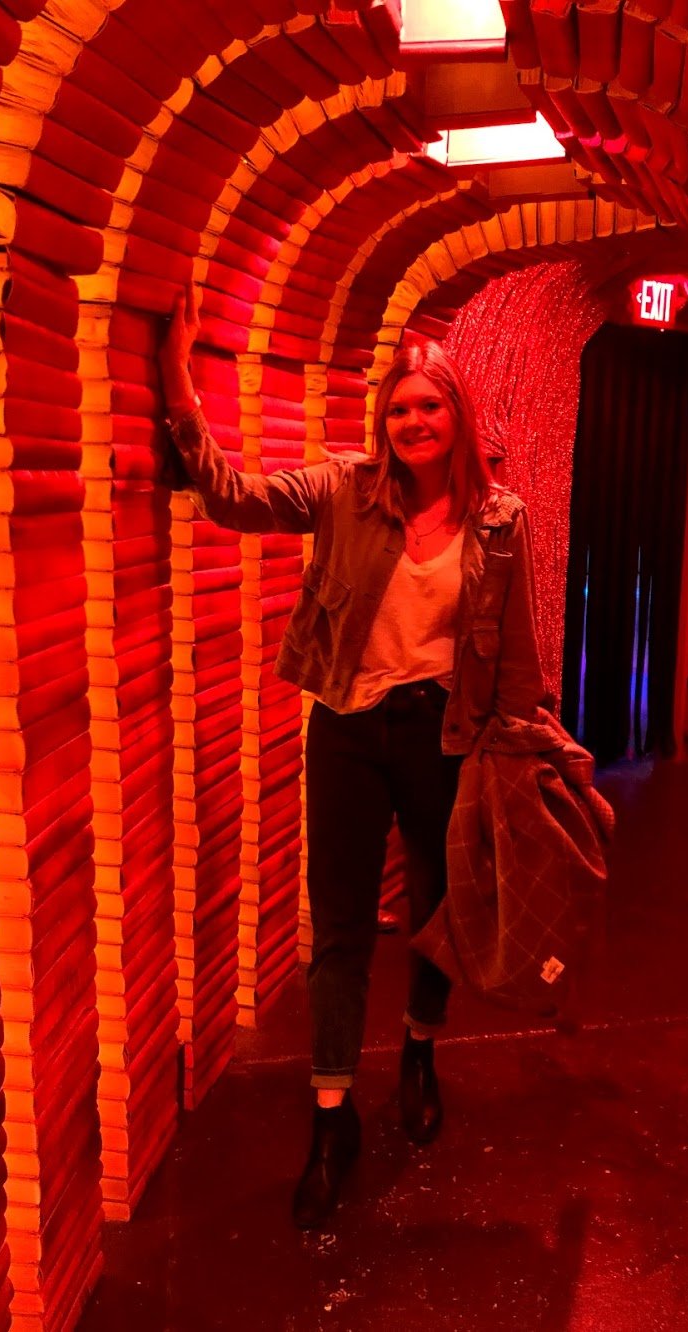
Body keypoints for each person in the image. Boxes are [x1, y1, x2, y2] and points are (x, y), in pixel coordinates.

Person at [159, 288, 548, 1229]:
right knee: (335, 927)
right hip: (345, 728)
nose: (413, 421)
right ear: (383, 421)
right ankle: (331, 1114)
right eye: (399, 408)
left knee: (432, 909)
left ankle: (418, 1047)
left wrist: (525, 755)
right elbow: (231, 497)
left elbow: (521, 653)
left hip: (444, 735)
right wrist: (178, 384)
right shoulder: (341, 490)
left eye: (430, 405)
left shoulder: (501, 520)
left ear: (456, 414)